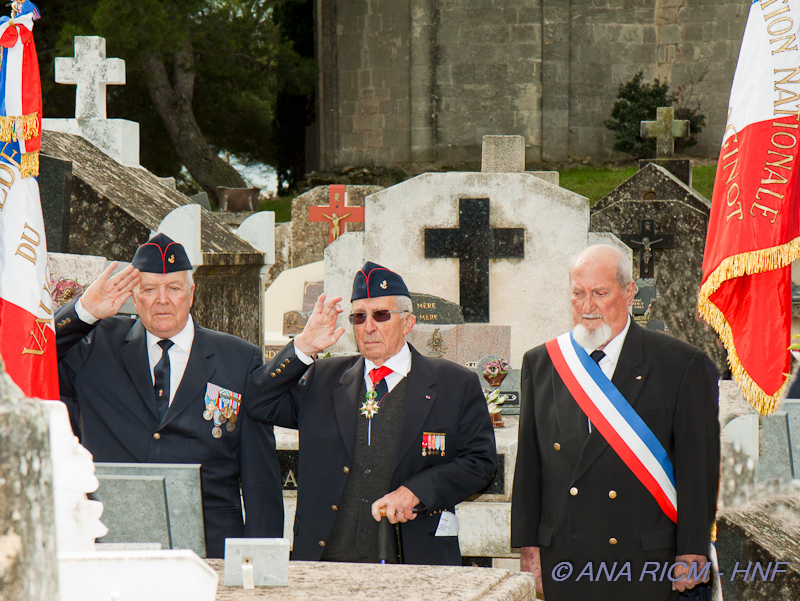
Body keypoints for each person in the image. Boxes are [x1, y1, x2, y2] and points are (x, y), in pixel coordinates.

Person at [247, 261, 496, 565]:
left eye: (381, 315)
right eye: (359, 317)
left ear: (407, 323)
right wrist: (303, 347)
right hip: (327, 562)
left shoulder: (453, 384)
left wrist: (415, 492)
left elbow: (480, 464)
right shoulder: (322, 379)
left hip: (414, 561)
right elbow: (257, 403)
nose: (369, 327)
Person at [511, 244, 719, 600]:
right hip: (566, 554)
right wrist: (529, 549)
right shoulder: (543, 362)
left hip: (646, 557)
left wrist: (692, 550)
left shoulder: (681, 365)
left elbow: (697, 469)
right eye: (578, 294)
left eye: (600, 293)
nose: (587, 307)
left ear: (629, 291)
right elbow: (530, 467)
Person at [55, 233, 284, 558]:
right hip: (114, 542)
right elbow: (30, 357)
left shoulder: (238, 359)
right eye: (149, 289)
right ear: (134, 296)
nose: (162, 299)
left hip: (212, 547)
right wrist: (84, 313)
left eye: (174, 288)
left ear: (191, 294)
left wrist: (262, 562)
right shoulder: (95, 345)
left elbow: (260, 474)